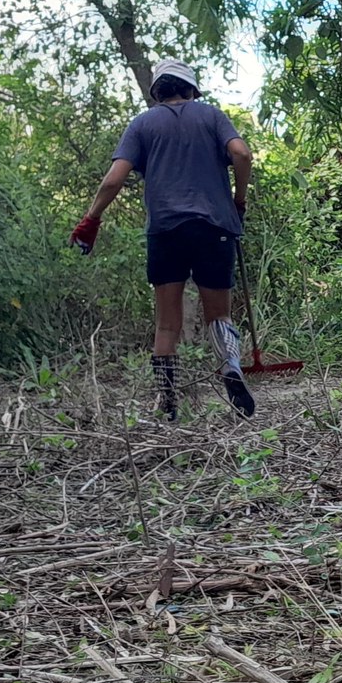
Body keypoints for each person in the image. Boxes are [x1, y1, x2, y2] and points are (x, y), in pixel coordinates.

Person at [71, 58, 256, 421]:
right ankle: (231, 367)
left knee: (167, 322)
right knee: (218, 313)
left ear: (157, 91)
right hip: (214, 227)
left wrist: (91, 219)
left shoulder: (142, 124)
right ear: (191, 89)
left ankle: (167, 400)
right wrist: (239, 200)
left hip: (166, 230)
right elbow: (242, 153)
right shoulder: (212, 116)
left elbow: (113, 179)